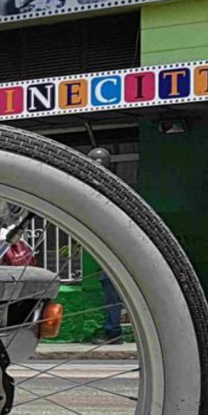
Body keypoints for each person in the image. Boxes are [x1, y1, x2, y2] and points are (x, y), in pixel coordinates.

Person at [87, 147, 125, 343]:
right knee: (112, 288)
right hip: (114, 244)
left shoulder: (104, 186)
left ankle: (113, 331)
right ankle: (113, 329)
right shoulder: (113, 185)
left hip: (115, 245)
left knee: (111, 288)